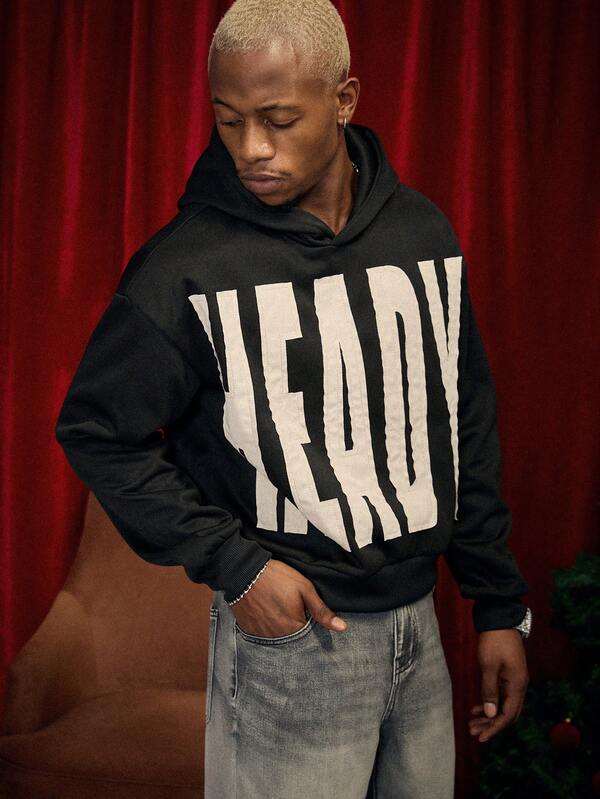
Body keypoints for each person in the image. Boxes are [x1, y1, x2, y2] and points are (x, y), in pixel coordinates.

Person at [55, 1, 532, 796]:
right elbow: (96, 430)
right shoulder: (187, 265)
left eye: (278, 119)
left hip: (420, 630)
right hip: (291, 646)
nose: (251, 147)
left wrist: (497, 602)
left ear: (344, 100)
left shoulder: (421, 234)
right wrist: (238, 567)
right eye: (229, 119)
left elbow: (461, 420)